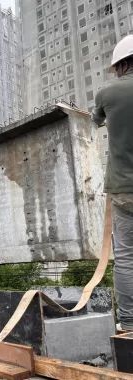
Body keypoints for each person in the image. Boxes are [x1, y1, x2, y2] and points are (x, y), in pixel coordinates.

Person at [92, 34, 133, 331]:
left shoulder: (107, 94)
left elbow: (94, 120)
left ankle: (130, 323)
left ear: (119, 65)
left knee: (126, 257)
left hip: (122, 189)